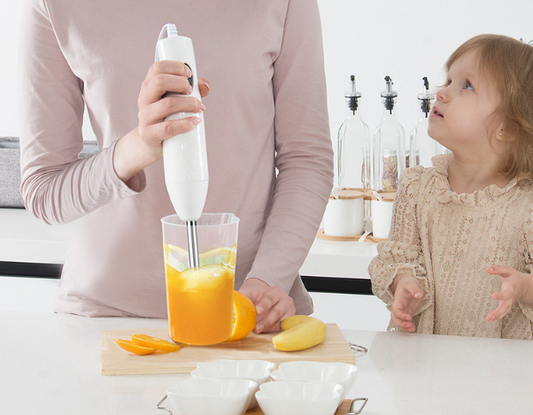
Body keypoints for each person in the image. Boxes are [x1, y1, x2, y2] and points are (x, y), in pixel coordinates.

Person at [18, 0, 333, 333]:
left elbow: (307, 159)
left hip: (249, 314)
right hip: (109, 318)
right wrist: (140, 146)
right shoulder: (54, 5)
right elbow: (44, 190)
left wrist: (267, 280)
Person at [369, 34, 533, 339]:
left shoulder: (525, 206)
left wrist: (523, 286)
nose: (441, 93)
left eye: (466, 85)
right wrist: (402, 283)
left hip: (501, 379)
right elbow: (396, 259)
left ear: (508, 128)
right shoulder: (417, 188)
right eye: (447, 80)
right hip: (421, 368)